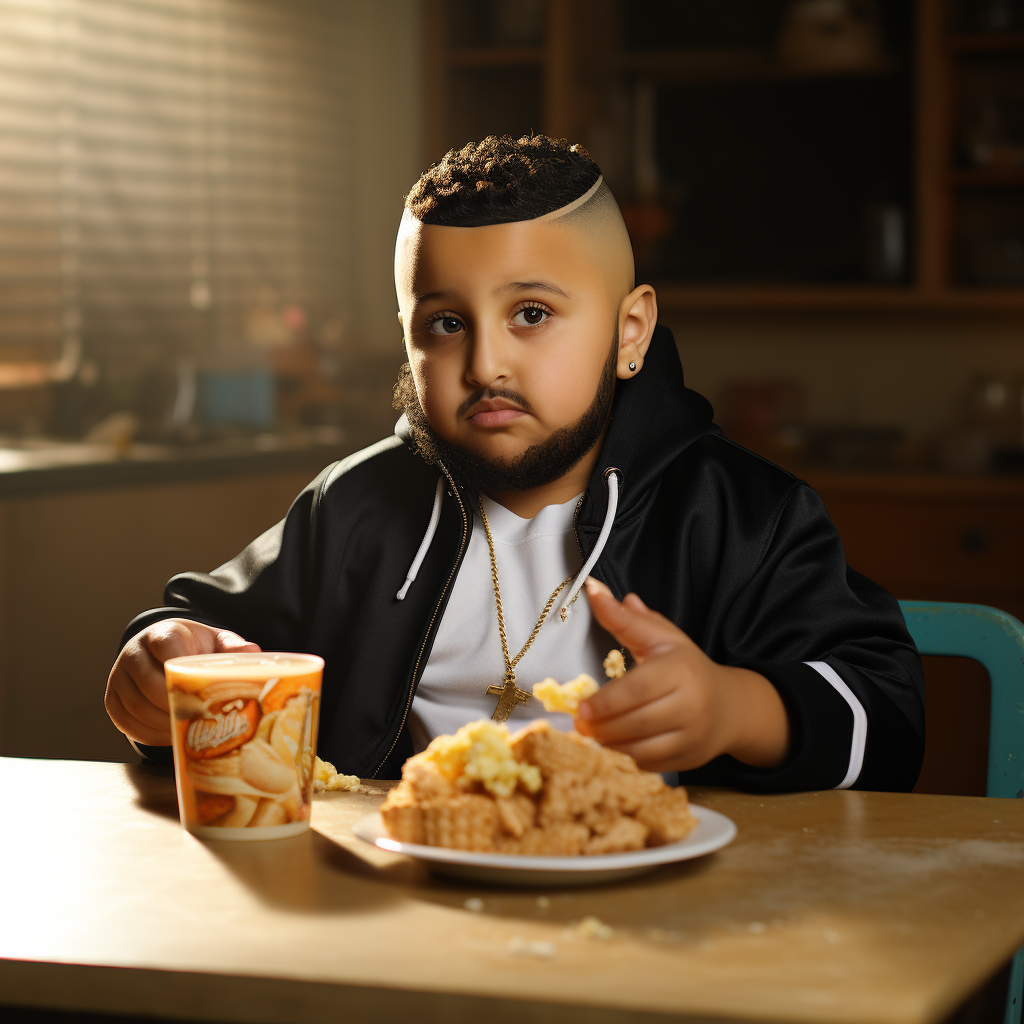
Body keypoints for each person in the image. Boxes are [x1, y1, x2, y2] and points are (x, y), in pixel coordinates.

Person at [105, 135, 924, 792]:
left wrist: (740, 711)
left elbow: (888, 718)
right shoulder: (357, 508)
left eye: (532, 313)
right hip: (398, 907)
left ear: (629, 332)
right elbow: (211, 647)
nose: (486, 362)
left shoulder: (742, 514)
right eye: (445, 325)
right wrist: (161, 668)